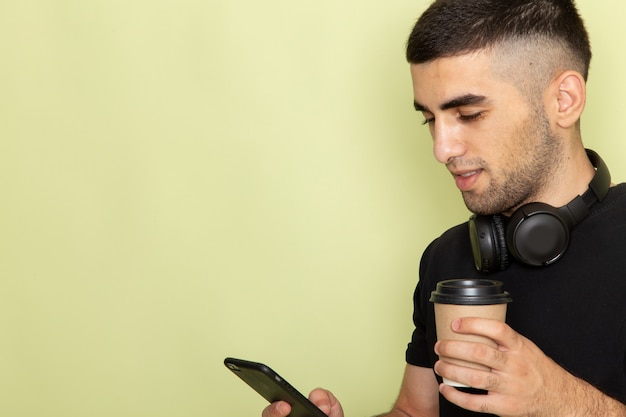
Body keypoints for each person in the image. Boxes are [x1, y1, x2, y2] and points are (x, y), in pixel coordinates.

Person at [262, 0, 626, 416]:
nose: (442, 149)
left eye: (468, 114)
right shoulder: (447, 256)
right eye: (430, 119)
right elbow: (415, 411)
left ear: (564, 100)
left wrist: (558, 401)